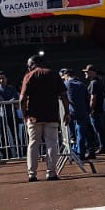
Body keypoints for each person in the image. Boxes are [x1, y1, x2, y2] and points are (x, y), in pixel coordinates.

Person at [21, 53, 68, 181]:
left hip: (33, 116)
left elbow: (22, 99)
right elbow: (64, 95)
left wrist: (24, 114)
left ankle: (32, 174)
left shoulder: (29, 76)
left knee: (33, 144)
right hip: (51, 114)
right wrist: (67, 112)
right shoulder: (53, 74)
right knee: (52, 143)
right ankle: (51, 172)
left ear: (32, 64)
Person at [61, 68, 97, 160]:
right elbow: (87, 99)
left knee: (72, 135)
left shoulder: (66, 84)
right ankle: (82, 153)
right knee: (82, 133)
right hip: (83, 112)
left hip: (71, 113)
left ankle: (75, 153)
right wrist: (88, 110)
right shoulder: (82, 84)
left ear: (66, 75)